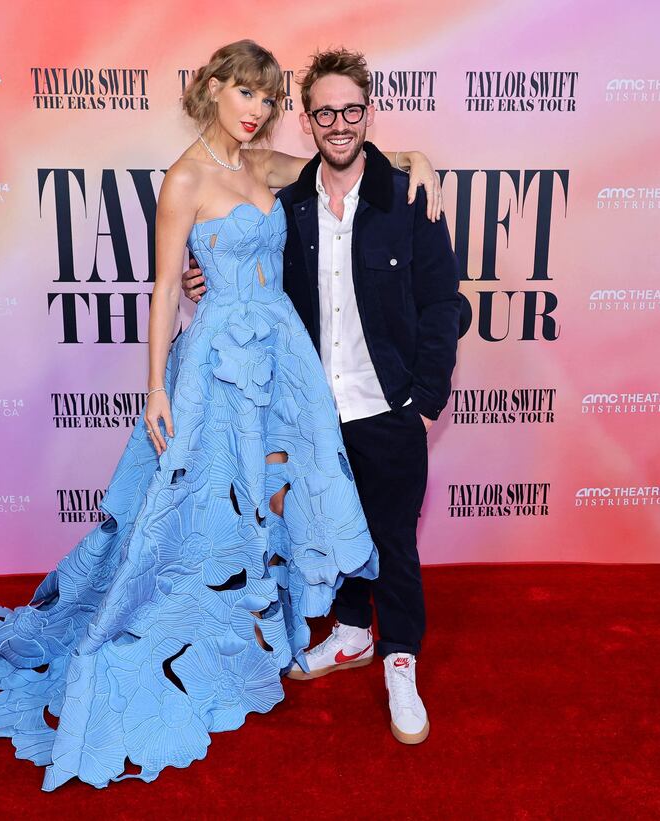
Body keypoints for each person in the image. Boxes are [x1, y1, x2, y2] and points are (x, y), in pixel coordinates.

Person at [0, 40, 443, 791]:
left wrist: (414, 159)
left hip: (279, 356)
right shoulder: (184, 178)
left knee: (266, 496)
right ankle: (196, 635)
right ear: (212, 89)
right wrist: (154, 385)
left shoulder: (265, 165)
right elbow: (161, 290)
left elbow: (340, 167)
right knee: (199, 502)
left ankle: (290, 636)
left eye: (267, 100)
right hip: (215, 362)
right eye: (245, 94)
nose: (257, 111)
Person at [183, 48, 461, 746]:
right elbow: (249, 267)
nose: (339, 123)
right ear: (306, 122)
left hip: (390, 408)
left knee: (392, 541)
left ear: (369, 113)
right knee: (331, 527)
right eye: (324, 111)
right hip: (313, 409)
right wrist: (206, 280)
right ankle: (351, 632)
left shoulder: (407, 199)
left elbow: (441, 307)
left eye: (351, 109)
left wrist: (424, 403)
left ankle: (400, 658)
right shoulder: (294, 200)